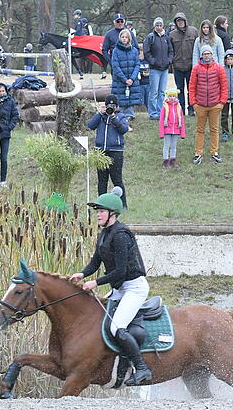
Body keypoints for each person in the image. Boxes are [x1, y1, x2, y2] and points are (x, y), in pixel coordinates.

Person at [70, 188, 150, 385]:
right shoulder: (104, 234)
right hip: (120, 288)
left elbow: (121, 271)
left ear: (112, 214)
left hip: (134, 288)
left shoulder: (121, 235)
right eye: (97, 211)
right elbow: (95, 263)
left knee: (117, 328)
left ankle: (142, 369)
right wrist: (82, 273)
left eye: (101, 211)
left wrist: (95, 282)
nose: (98, 214)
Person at [87, 95, 130, 209]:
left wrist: (113, 117)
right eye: (108, 106)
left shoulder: (121, 116)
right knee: (102, 180)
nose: (110, 108)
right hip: (100, 152)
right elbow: (90, 125)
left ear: (116, 106)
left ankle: (123, 205)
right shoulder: (101, 116)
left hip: (116, 152)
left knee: (117, 180)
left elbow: (124, 129)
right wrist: (100, 114)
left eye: (113, 106)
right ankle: (101, 204)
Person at [190, 45, 228, 165]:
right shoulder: (196, 69)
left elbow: (224, 86)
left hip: (215, 105)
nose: (206, 56)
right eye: (204, 54)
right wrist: (194, 103)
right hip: (200, 105)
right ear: (201, 55)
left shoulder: (219, 68)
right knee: (200, 130)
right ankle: (198, 153)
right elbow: (192, 87)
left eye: (208, 53)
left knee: (214, 129)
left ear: (212, 55)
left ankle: (214, 152)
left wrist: (221, 102)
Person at [143, 17, 174, 120]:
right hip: (154, 69)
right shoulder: (150, 38)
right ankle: (153, 113)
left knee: (161, 91)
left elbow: (171, 51)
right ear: (154, 26)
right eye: (157, 25)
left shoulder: (166, 37)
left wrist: (169, 61)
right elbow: (146, 52)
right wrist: (153, 62)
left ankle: (160, 111)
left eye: (160, 25)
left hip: (165, 69)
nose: (159, 27)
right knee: (154, 91)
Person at [170, 12, 199, 116]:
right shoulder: (172, 34)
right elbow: (170, 50)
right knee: (179, 90)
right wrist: (172, 61)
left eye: (181, 20)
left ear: (185, 21)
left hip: (191, 65)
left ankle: (191, 109)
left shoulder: (193, 31)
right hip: (177, 66)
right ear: (175, 22)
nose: (180, 22)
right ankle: (181, 109)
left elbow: (198, 47)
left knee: (191, 89)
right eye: (178, 21)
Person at [110, 29, 142, 118]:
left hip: (132, 79)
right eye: (122, 37)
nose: (124, 39)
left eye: (126, 37)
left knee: (131, 96)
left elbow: (137, 65)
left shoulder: (134, 50)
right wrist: (124, 79)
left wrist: (132, 78)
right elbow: (115, 66)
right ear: (120, 38)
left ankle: (130, 114)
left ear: (129, 39)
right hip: (120, 80)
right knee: (120, 96)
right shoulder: (115, 51)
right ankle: (120, 114)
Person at [0, 83, 19, 186]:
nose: (1, 93)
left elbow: (15, 116)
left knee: (4, 158)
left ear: (6, 91)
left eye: (3, 91)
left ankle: (3, 180)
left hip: (5, 133)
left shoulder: (11, 101)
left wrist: (10, 127)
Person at [103, 14, 138, 79]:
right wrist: (111, 62)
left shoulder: (130, 33)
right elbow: (104, 50)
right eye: (118, 21)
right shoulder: (109, 34)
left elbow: (136, 48)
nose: (120, 23)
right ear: (114, 22)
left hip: (130, 66)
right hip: (116, 66)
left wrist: (134, 61)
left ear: (124, 22)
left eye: (121, 21)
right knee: (117, 87)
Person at [159, 89, 185, 168]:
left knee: (174, 146)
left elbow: (182, 120)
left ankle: (173, 160)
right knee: (166, 146)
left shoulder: (179, 107)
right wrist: (162, 133)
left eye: (173, 96)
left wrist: (182, 133)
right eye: (170, 96)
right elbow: (161, 120)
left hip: (176, 130)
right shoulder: (165, 107)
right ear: (168, 96)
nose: (172, 98)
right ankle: (166, 161)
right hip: (167, 130)